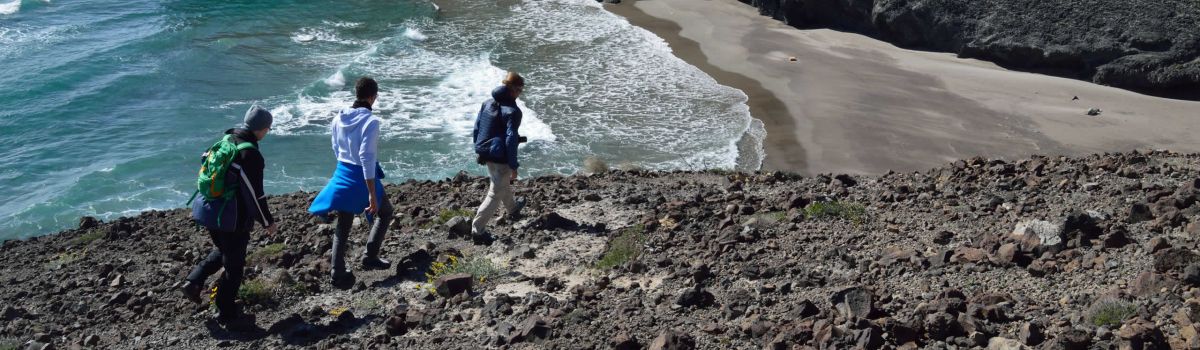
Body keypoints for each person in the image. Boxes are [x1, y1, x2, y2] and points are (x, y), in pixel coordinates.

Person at [181, 106, 277, 331]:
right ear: (261, 129)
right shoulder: (250, 153)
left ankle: (193, 281)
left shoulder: (227, 139)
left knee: (225, 250)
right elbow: (255, 194)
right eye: (267, 129)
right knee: (235, 266)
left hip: (210, 210)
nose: (267, 132)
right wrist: (267, 222)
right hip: (232, 218)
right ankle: (227, 312)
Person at [308, 77, 394, 286]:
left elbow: (336, 147)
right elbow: (367, 157)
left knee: (344, 222)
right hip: (360, 177)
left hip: (342, 173)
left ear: (357, 94)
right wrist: (372, 194)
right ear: (373, 97)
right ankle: (370, 256)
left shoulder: (339, 118)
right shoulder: (371, 122)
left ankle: (337, 271)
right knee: (385, 212)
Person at [471, 72, 528, 242]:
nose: (520, 94)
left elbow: (477, 128)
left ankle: (513, 209)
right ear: (514, 90)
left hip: (486, 151)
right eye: (520, 91)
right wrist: (513, 165)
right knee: (495, 193)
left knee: (500, 183)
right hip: (501, 157)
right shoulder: (513, 111)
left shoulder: (487, 103)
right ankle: (478, 230)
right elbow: (511, 139)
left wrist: (480, 151)